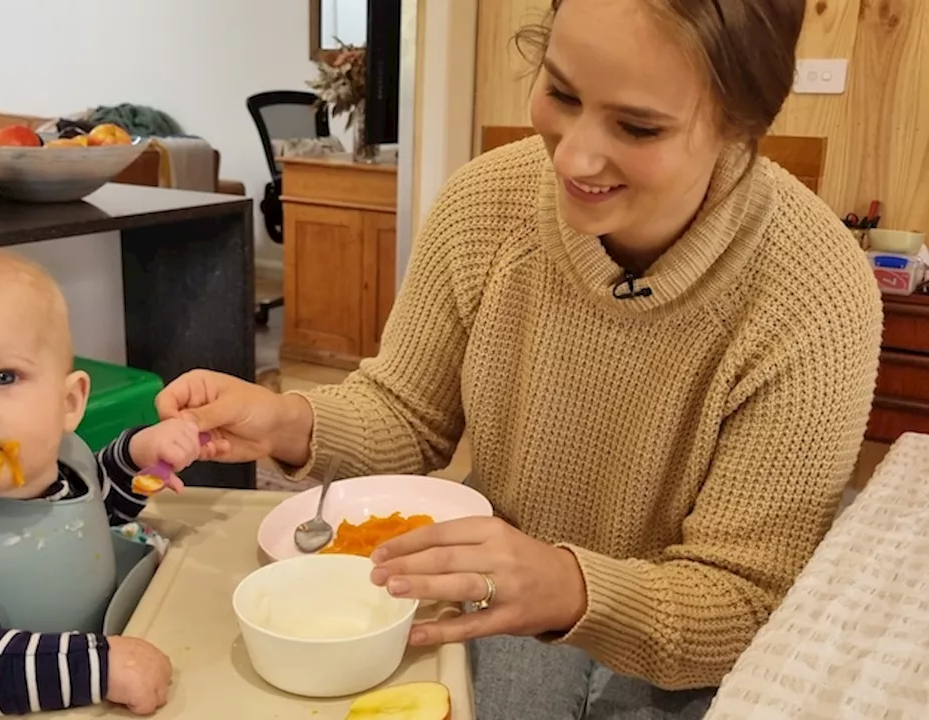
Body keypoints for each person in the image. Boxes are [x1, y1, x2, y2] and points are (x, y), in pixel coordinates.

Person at [156, 0, 882, 716]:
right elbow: (407, 414)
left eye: (636, 126)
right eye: (561, 91)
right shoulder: (486, 205)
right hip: (493, 604)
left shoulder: (815, 293)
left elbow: (744, 599)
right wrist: (290, 421)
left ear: (742, 126)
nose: (572, 156)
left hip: (685, 662)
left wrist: (570, 585)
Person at [0, 244, 215, 716]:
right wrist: (98, 668)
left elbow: (95, 507)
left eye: (3, 376)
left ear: (69, 403)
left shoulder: (67, 466)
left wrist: (142, 458)